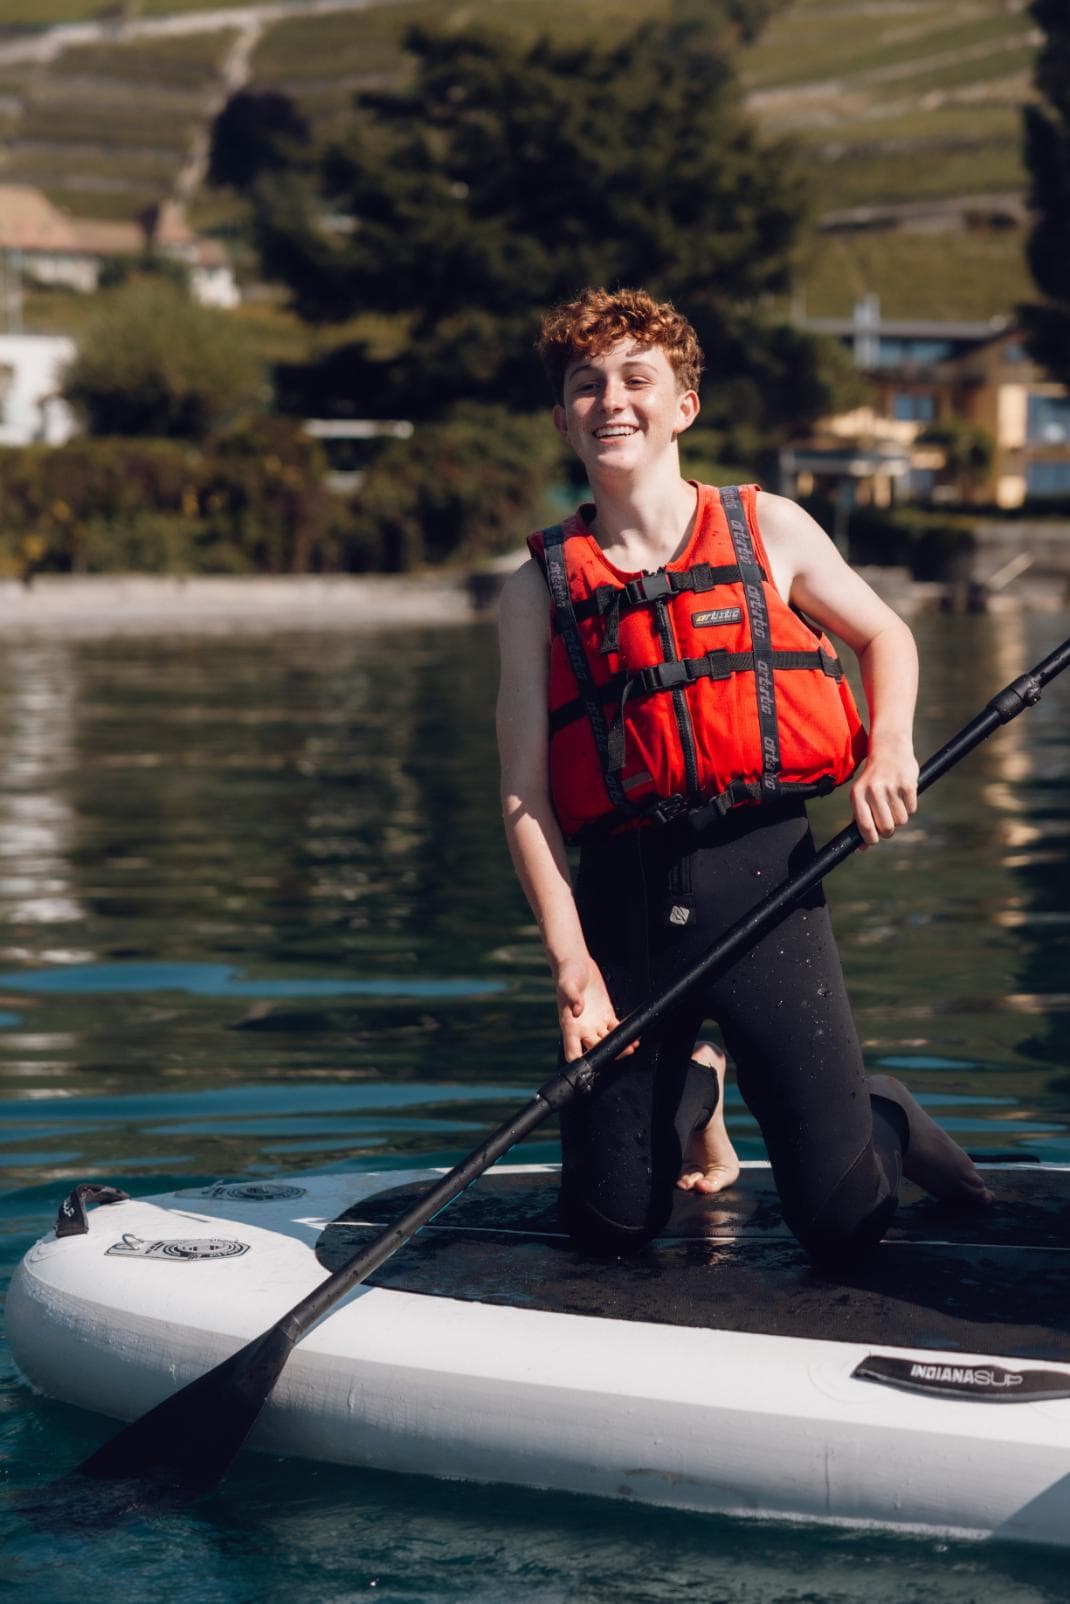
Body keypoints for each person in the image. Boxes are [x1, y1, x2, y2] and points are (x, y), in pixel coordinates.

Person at [496, 286, 991, 1265]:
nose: (611, 401)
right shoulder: (536, 589)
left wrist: (887, 744)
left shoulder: (770, 529)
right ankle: (695, 1090)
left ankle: (877, 1111)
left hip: (769, 886)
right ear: (561, 418)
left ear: (683, 404)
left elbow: (882, 632)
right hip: (620, 907)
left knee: (842, 1222)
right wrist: (570, 962)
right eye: (585, 385)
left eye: (638, 379)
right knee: (606, 1226)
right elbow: (524, 791)